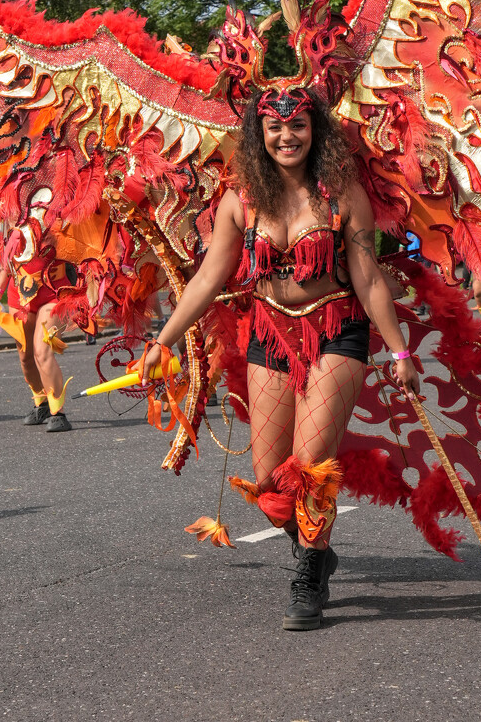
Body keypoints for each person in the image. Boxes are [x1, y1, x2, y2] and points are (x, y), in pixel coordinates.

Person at [140, 86, 419, 631]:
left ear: (316, 133)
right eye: (274, 128)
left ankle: (309, 576)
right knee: (270, 480)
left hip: (339, 330)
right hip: (270, 335)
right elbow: (208, 278)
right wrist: (163, 340)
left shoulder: (341, 194)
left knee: (309, 470)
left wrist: (400, 350)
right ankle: (315, 546)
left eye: (298, 127)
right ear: (258, 134)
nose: (286, 137)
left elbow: (367, 277)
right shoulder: (241, 199)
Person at [0, 247, 74, 433]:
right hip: (20, 295)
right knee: (26, 356)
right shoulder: (12, 221)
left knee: (43, 350)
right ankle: (41, 404)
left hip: (53, 292)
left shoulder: (57, 219)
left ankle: (58, 412)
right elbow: (7, 258)